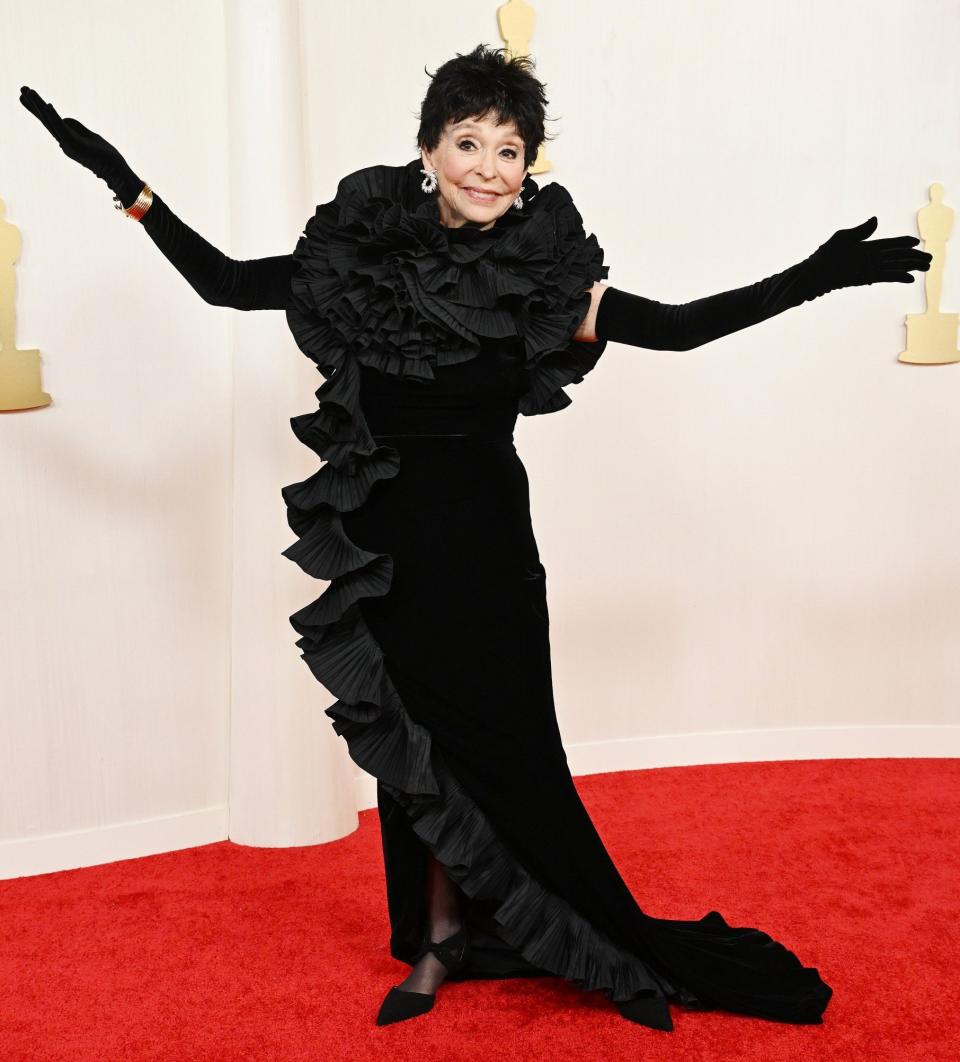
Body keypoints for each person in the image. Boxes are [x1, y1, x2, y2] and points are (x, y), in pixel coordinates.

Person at [19, 44, 930, 1033]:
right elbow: (228, 284)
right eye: (469, 142)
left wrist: (820, 274)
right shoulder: (361, 262)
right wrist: (123, 181)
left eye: (510, 148)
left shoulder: (544, 278)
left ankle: (588, 933)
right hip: (387, 549)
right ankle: (442, 937)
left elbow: (679, 327)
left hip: (488, 553)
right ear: (430, 149)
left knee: (513, 757)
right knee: (413, 753)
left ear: (529, 164)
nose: (489, 166)